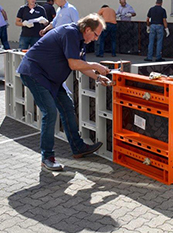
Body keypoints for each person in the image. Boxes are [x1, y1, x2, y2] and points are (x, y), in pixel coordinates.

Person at [17, 13, 108, 171]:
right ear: (87, 29)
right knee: (50, 112)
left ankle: (78, 147)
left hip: (52, 78)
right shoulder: (70, 33)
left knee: (67, 106)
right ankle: (47, 157)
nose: (96, 39)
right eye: (95, 34)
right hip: (35, 74)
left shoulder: (80, 39)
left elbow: (82, 64)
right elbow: (73, 64)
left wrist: (98, 77)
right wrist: (96, 66)